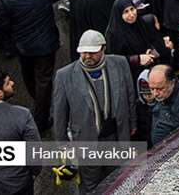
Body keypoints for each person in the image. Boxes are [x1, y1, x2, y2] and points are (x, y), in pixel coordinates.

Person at [52, 30, 136, 193]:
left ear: (103, 49)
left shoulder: (119, 63)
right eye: (84, 52)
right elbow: (60, 115)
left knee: (119, 180)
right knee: (90, 187)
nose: (87, 56)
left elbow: (130, 95)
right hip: (86, 142)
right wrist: (63, 146)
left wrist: (132, 123)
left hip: (116, 138)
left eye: (92, 52)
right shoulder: (64, 76)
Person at [0, 0, 68, 132]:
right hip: (45, 45)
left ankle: (39, 104)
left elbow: (1, 21)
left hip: (23, 46)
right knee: (44, 80)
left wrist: (11, 39)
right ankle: (41, 117)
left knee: (29, 76)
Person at [105, 0, 168, 83]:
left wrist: (151, 52)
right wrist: (138, 59)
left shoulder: (141, 23)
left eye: (132, 9)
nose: (131, 14)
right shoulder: (113, 34)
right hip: (129, 78)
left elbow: (155, 41)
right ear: (119, 15)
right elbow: (114, 61)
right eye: (126, 12)